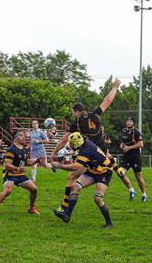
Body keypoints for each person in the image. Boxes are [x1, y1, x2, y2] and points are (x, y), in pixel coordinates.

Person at [49, 78, 132, 211]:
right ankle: (130, 189)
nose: (72, 114)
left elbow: (64, 140)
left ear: (76, 111)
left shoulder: (76, 123)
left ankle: (64, 208)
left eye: (72, 112)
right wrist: (115, 87)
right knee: (114, 171)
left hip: (90, 156)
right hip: (103, 154)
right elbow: (107, 101)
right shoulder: (95, 115)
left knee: (71, 177)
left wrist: (53, 154)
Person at [51, 132, 114, 228]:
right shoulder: (84, 144)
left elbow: (76, 167)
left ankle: (109, 223)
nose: (70, 145)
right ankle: (67, 215)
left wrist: (59, 166)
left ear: (76, 143)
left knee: (97, 198)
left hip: (104, 171)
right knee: (74, 187)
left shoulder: (86, 149)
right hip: (93, 169)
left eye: (71, 143)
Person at [0, 131, 40, 216]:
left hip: (19, 175)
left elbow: (26, 162)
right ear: (16, 138)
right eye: (21, 135)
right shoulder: (11, 149)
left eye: (24, 135)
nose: (24, 137)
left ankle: (31, 208)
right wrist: (18, 168)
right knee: (8, 190)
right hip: (9, 174)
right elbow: (7, 165)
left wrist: (36, 161)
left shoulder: (24, 149)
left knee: (34, 189)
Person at [120, 117, 148, 201]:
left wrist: (129, 148)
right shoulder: (123, 131)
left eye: (130, 121)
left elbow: (141, 144)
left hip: (135, 157)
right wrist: (121, 145)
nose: (129, 122)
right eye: (127, 121)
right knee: (120, 173)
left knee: (138, 177)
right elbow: (123, 141)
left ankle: (144, 195)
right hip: (126, 157)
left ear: (133, 123)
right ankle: (132, 190)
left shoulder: (136, 132)